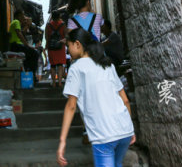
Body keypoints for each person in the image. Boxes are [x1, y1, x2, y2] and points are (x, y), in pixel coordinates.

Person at [57, 28, 135, 167]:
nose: (68, 51)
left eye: (68, 46)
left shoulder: (76, 68)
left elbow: (71, 106)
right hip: (125, 130)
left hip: (103, 135)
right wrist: (131, 130)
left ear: (77, 44)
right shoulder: (107, 64)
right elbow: (125, 100)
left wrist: (62, 141)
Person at [46, 11, 67, 88]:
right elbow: (66, 36)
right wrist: (62, 41)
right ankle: (60, 83)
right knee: (60, 65)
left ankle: (54, 83)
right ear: (59, 17)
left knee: (53, 65)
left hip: (51, 47)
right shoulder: (63, 24)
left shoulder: (48, 25)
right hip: (60, 46)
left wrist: (47, 45)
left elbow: (46, 37)